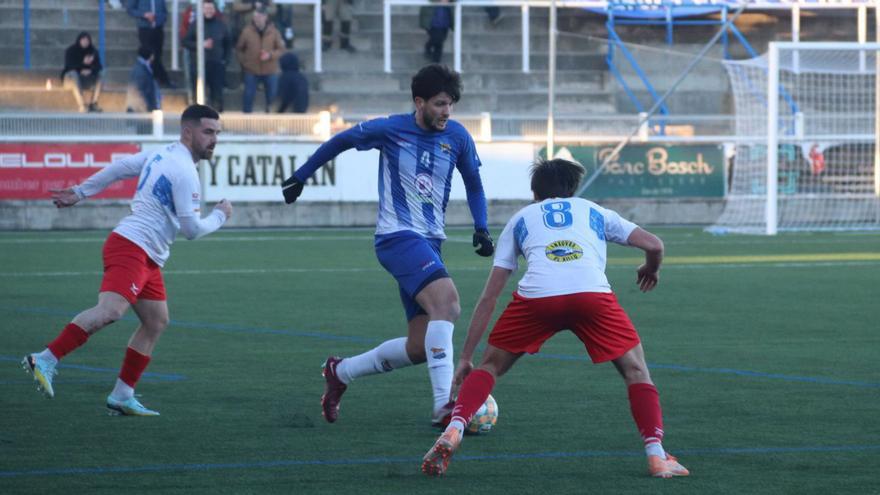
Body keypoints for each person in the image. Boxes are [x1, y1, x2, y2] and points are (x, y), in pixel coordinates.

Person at [421, 158, 690, 479]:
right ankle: (657, 455)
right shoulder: (593, 210)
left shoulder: (520, 219)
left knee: (490, 367)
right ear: (572, 189)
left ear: (535, 193)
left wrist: (465, 357)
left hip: (537, 298)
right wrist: (651, 267)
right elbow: (655, 245)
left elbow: (489, 296)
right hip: (591, 296)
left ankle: (453, 428)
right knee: (636, 370)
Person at [280, 64, 494, 427]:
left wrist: (482, 227)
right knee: (449, 304)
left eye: (451, 105)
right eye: (440, 104)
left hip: (430, 241)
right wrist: (301, 176)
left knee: (420, 346)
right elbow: (342, 140)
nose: (447, 112)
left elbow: (473, 183)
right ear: (419, 101)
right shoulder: (391, 128)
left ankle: (341, 372)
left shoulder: (457, 137)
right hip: (397, 237)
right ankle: (445, 406)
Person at [22, 105, 233, 416]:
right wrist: (219, 216)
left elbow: (120, 167)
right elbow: (190, 230)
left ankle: (122, 395)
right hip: (131, 247)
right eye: (208, 132)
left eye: (217, 133)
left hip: (148, 255)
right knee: (110, 311)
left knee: (156, 321)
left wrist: (81, 191)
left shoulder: (162, 153)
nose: (214, 139)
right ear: (188, 132)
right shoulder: (185, 171)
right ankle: (45, 358)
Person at [235, 6, 284, 113]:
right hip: (251, 70)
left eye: (260, 16)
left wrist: (270, 55)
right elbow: (239, 49)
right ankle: (246, 120)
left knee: (272, 98)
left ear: (266, 17)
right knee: (248, 96)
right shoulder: (246, 31)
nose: (258, 19)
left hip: (270, 70)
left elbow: (281, 49)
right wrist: (245, 62)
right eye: (256, 17)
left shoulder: (274, 32)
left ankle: (271, 120)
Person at [184, 0, 230, 112]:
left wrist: (225, 61)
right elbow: (185, 42)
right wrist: (201, 45)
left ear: (214, 10)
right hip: (199, 65)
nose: (208, 11)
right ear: (202, 9)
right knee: (198, 96)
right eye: (206, 8)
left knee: (217, 96)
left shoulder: (221, 25)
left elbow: (228, 45)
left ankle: (216, 123)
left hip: (216, 65)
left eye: (211, 8)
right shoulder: (196, 24)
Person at [126, 0, 173, 87]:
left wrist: (159, 19)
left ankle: (157, 80)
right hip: (145, 29)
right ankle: (163, 79)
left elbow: (164, 12)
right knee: (149, 55)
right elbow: (130, 9)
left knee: (158, 55)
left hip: (158, 29)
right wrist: (144, 15)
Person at [61, 32, 103, 113]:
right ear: (79, 40)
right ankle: (82, 105)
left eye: (87, 40)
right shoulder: (71, 50)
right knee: (74, 73)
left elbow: (99, 66)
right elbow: (69, 66)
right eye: (83, 40)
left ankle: (93, 103)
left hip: (85, 81)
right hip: (70, 81)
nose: (85, 42)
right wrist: (82, 65)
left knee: (100, 75)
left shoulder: (93, 51)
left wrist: (91, 70)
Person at [125, 46, 162, 112]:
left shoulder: (142, 68)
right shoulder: (141, 70)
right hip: (141, 111)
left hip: (142, 109)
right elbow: (138, 91)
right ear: (150, 56)